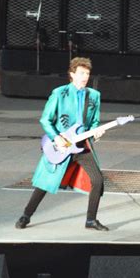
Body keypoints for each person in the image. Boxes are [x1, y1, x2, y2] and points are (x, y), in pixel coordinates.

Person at [15, 57, 109, 231]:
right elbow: (46, 120)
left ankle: (91, 220)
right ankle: (26, 215)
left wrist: (96, 133)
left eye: (87, 73)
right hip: (62, 146)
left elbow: (94, 122)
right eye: (81, 73)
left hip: (82, 147)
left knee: (97, 180)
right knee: (45, 183)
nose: (85, 76)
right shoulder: (60, 93)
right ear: (72, 74)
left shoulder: (94, 96)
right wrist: (56, 137)